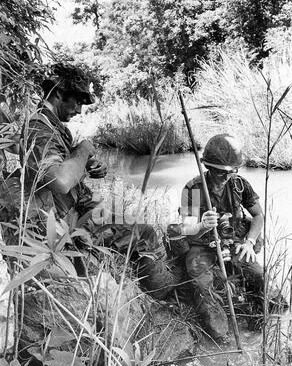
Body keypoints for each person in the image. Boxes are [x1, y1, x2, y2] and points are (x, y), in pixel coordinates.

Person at [19, 62, 173, 298]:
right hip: (63, 229)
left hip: (76, 215)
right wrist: (83, 149)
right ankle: (164, 298)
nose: (79, 110)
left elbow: (63, 167)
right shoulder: (39, 127)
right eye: (78, 101)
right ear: (59, 93)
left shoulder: (53, 126)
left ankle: (153, 287)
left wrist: (88, 165)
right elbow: (59, 181)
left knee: (135, 226)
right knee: (145, 233)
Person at [168, 134, 266, 342]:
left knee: (258, 274)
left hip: (235, 243)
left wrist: (249, 242)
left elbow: (258, 215)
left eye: (231, 172)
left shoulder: (239, 184)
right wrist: (202, 225)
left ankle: (258, 323)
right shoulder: (194, 189)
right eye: (220, 173)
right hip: (202, 244)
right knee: (202, 283)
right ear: (208, 168)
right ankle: (220, 335)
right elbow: (187, 228)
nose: (225, 177)